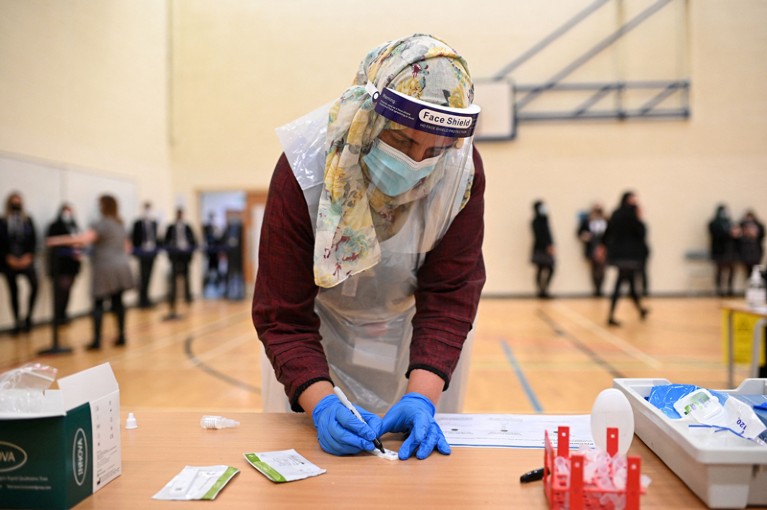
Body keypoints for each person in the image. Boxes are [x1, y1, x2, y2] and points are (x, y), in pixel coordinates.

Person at [252, 34, 485, 461]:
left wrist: (421, 396)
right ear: (368, 118)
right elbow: (281, 313)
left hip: (419, 346)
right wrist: (321, 403)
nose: (417, 161)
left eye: (434, 149)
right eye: (402, 141)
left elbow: (451, 292)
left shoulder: (460, 173)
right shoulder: (305, 167)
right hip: (314, 342)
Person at [47, 194, 135, 349]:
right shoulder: (119, 223)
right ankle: (121, 336)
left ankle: (97, 340)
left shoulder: (102, 224)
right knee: (118, 302)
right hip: (121, 265)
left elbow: (83, 240)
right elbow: (128, 247)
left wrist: (57, 240)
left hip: (105, 266)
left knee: (98, 302)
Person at [603, 191, 649, 326]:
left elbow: (607, 233)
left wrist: (603, 246)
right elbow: (641, 234)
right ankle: (611, 316)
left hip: (619, 255)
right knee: (621, 284)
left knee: (630, 284)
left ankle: (640, 310)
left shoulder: (616, 214)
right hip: (630, 256)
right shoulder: (633, 215)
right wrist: (639, 218)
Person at [0, 191, 38, 335]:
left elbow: (33, 240)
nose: (16, 205)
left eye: (18, 202)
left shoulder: (27, 220)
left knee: (35, 285)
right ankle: (17, 322)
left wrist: (28, 256)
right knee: (13, 291)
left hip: (26, 259)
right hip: (8, 262)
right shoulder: (3, 221)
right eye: (14, 202)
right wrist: (8, 258)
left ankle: (28, 318)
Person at [45, 203, 82, 324]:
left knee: (68, 290)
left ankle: (63, 314)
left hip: (72, 264)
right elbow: (50, 242)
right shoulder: (54, 226)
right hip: (60, 265)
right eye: (66, 211)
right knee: (60, 291)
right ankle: (58, 316)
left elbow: (80, 241)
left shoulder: (74, 226)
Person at [163, 207, 197, 311]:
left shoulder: (188, 227)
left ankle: (188, 296)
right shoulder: (171, 227)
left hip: (185, 256)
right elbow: (165, 241)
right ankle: (172, 298)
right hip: (175, 256)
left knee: (186, 276)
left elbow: (194, 241)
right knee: (174, 277)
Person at [131, 201, 160, 308]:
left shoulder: (154, 223)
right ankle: (142, 299)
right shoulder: (137, 223)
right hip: (141, 253)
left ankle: (147, 298)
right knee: (143, 276)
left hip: (152, 253)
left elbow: (157, 238)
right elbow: (134, 238)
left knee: (149, 276)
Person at [707, 204, 739, 297]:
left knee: (732, 270)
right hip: (719, 251)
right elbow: (716, 235)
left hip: (730, 250)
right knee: (719, 270)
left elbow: (736, 235)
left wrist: (735, 233)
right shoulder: (713, 223)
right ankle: (719, 289)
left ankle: (730, 289)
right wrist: (729, 233)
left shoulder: (730, 222)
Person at [577, 203, 608, 297]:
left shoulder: (606, 221)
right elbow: (579, 233)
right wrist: (585, 236)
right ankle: (596, 289)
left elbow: (610, 236)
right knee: (594, 269)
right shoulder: (587, 221)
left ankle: (600, 288)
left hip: (603, 248)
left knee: (601, 269)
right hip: (591, 247)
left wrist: (603, 248)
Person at [530, 200, 555, 298]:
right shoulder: (535, 221)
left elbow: (549, 234)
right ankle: (540, 290)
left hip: (547, 247)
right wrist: (547, 246)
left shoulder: (545, 220)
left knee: (550, 268)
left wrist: (551, 245)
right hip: (540, 248)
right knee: (540, 268)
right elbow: (539, 236)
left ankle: (545, 289)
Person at [737, 209, 765, 281]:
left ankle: (756, 284)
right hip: (746, 253)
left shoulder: (759, 226)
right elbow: (738, 238)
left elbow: (761, 236)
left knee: (757, 272)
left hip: (756, 253)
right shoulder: (741, 226)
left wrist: (754, 234)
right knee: (748, 273)